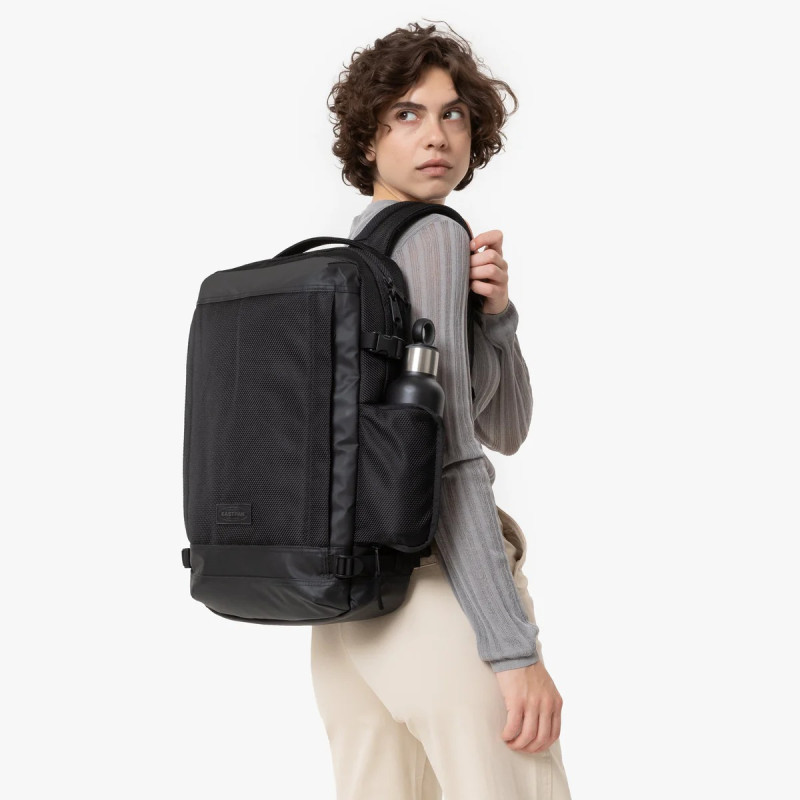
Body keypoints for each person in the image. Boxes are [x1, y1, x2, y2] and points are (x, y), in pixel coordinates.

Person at [311, 21, 572, 799]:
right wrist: (511, 649)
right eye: (407, 114)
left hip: (347, 617)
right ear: (368, 139)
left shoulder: (357, 250)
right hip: (438, 600)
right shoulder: (432, 237)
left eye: (453, 113)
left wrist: (495, 320)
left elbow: (506, 425)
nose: (436, 135)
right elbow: (456, 455)